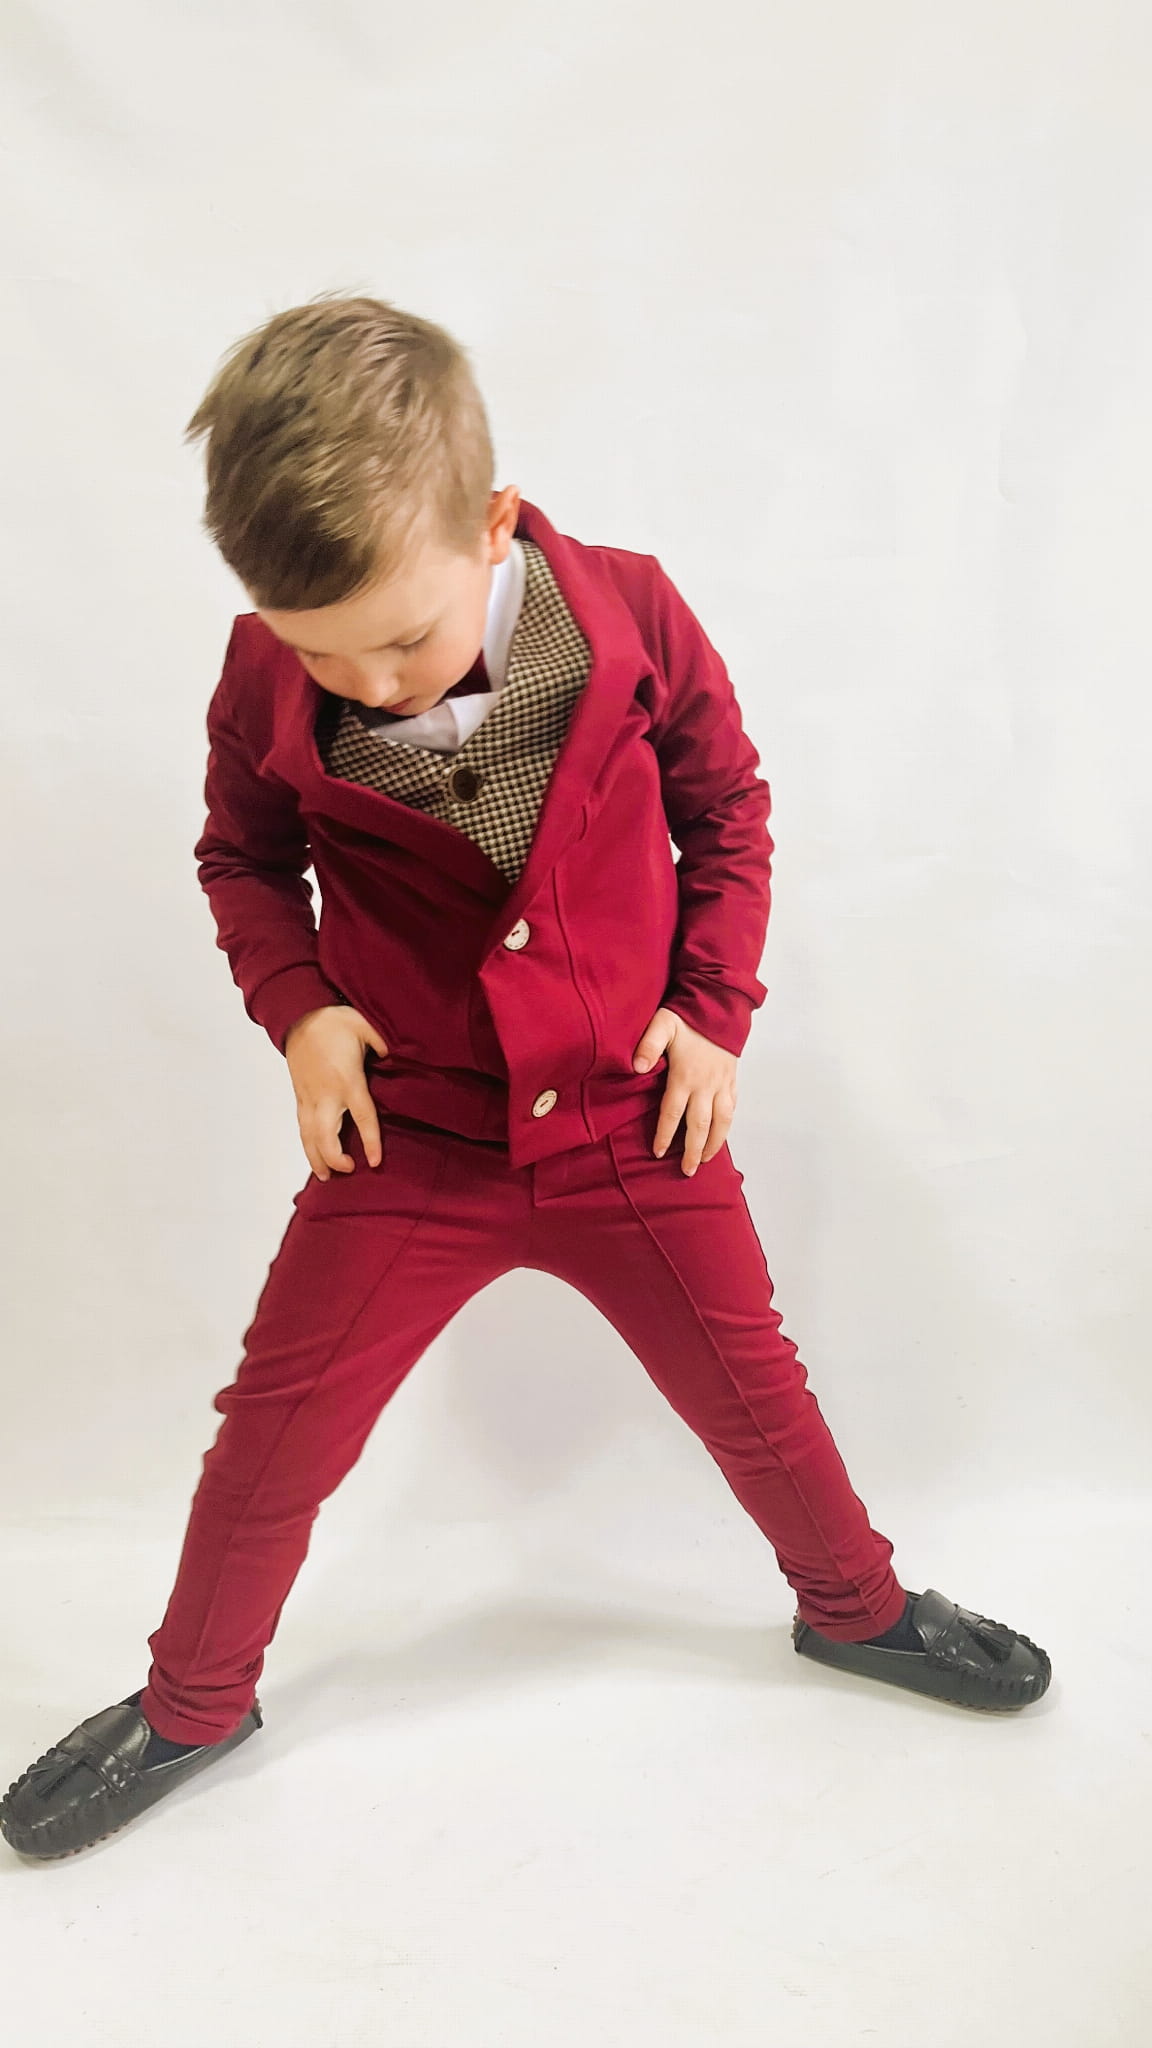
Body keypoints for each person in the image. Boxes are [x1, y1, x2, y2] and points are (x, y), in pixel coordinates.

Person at [0, 294, 1051, 1862]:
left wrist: (713, 1010)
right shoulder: (264, 671)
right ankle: (194, 1700)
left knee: (757, 1395)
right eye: (320, 651)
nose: (368, 684)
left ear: (492, 525)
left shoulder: (633, 610)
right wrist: (299, 1010)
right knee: (271, 1434)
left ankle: (858, 1606)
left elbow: (729, 813)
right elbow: (243, 857)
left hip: (634, 1119)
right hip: (412, 1140)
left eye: (400, 639)